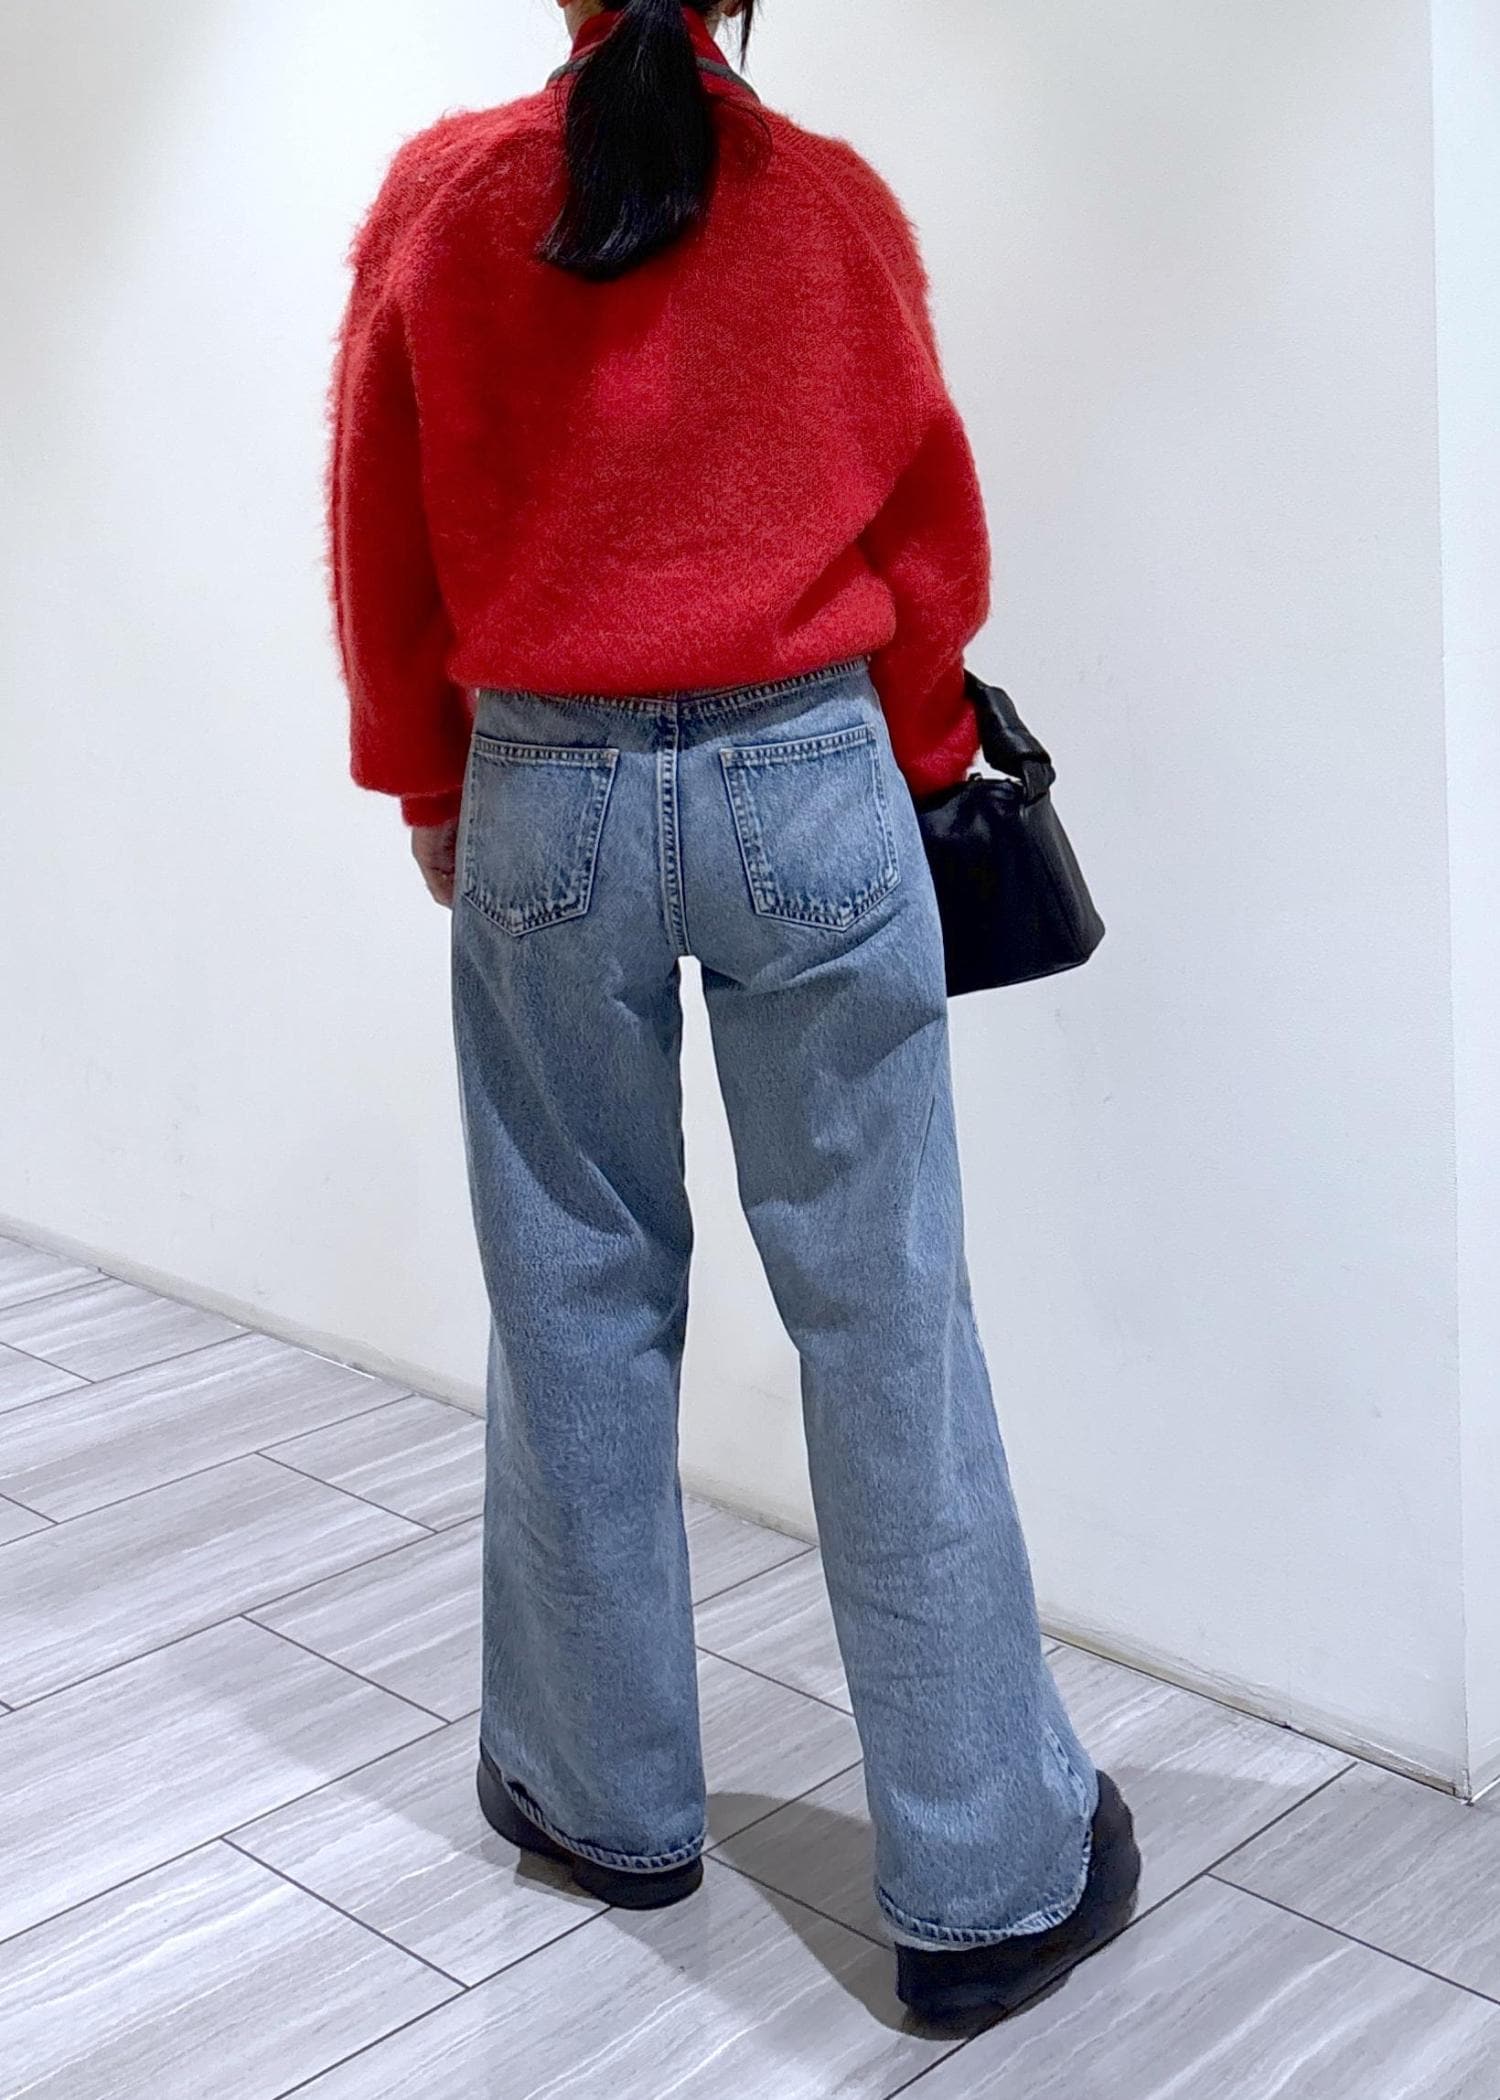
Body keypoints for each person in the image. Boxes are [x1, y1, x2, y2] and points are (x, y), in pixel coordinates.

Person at [326, 0, 1139, 2025]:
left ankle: (606, 1802)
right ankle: (988, 1880)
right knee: (886, 1310)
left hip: (549, 792)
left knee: (576, 1289)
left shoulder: (442, 203)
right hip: (812, 776)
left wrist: (432, 788)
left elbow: (381, 535)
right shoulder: (833, 207)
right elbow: (928, 538)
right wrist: (922, 756)